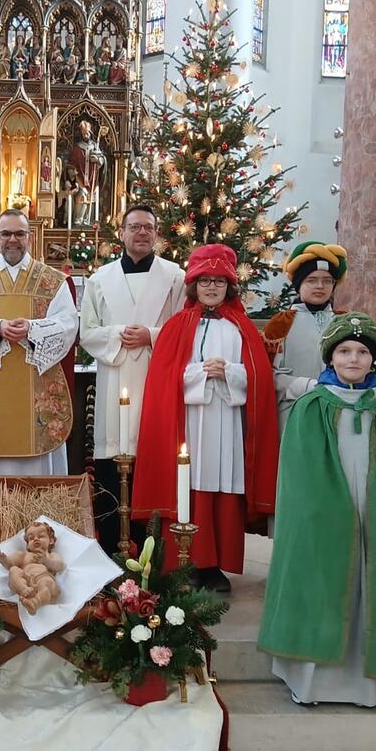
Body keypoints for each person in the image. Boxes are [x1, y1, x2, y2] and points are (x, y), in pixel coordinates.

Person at [258, 313, 376, 707]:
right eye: (344, 351)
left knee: (367, 583)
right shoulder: (312, 406)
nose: (353, 359)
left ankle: (364, 684)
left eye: (362, 352)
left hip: (374, 515)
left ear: (373, 359)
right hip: (322, 518)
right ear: (330, 358)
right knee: (322, 580)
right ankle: (310, 681)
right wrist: (320, 511)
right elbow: (298, 474)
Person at [132, 244, 279, 592]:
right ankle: (186, 563)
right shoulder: (177, 326)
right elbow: (164, 379)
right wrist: (199, 373)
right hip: (189, 422)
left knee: (222, 485)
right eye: (204, 281)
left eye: (219, 281)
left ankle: (215, 565)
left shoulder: (241, 327)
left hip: (225, 420)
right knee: (188, 482)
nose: (211, 287)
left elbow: (259, 378)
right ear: (193, 285)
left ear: (230, 286)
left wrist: (230, 373)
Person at [0, 210, 78, 546]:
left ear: (30, 237)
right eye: (6, 233)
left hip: (38, 394)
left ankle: (42, 543)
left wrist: (32, 329)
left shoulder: (53, 281)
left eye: (19, 234)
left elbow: (68, 325)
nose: (12, 240)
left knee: (39, 459)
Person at [79, 204, 186, 555]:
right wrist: (120, 334)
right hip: (115, 376)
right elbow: (88, 332)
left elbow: (184, 327)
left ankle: (150, 547)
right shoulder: (99, 279)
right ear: (122, 233)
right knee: (113, 459)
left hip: (157, 379)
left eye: (149, 227)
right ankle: (110, 542)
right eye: (135, 227)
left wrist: (152, 336)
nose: (142, 233)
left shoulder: (175, 277)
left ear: (157, 234)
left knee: (150, 459)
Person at [263, 241, 347, 429]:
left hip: (339, 410)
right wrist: (305, 386)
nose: (320, 286)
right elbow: (267, 374)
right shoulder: (281, 324)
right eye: (312, 280)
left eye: (327, 281)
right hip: (294, 411)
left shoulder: (344, 322)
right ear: (299, 284)